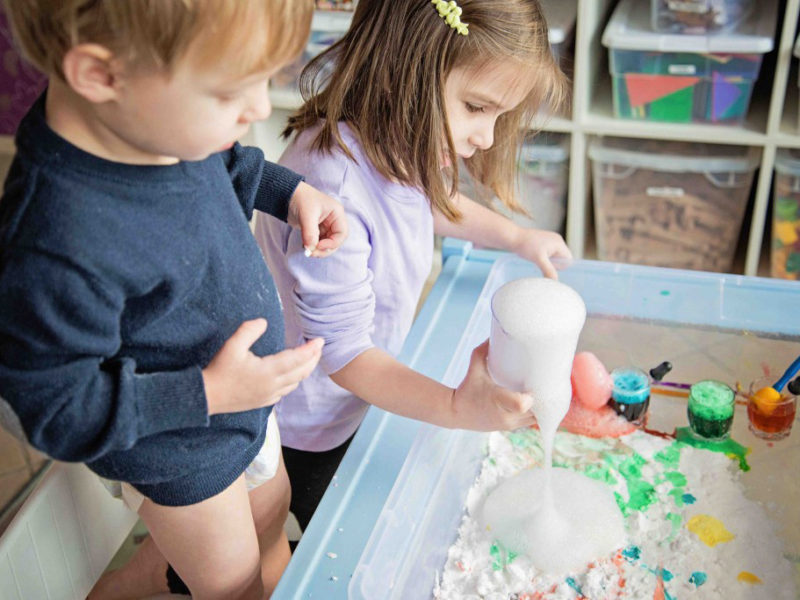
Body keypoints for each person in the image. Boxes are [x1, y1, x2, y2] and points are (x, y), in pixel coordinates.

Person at [0, 1, 347, 598]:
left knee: (271, 522)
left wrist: (290, 194)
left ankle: (147, 577)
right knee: (232, 583)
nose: (262, 107)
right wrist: (210, 393)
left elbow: (225, 162)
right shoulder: (57, 241)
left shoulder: (151, 123)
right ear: (101, 75)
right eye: (232, 91)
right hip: (178, 448)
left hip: (245, 403)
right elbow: (57, 410)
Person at [255, 0, 571, 536]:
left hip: (356, 393)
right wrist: (455, 406)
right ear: (406, 69)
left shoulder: (393, 144)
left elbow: (428, 202)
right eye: (476, 107)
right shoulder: (336, 185)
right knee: (314, 544)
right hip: (308, 423)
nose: (487, 138)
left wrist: (516, 236)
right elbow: (346, 354)